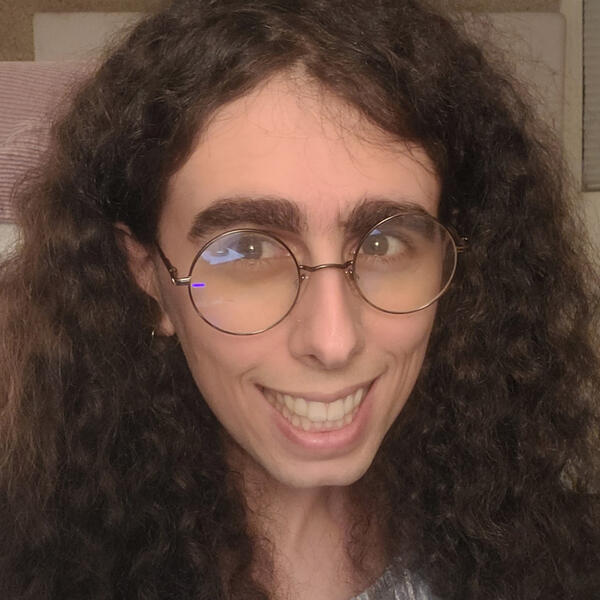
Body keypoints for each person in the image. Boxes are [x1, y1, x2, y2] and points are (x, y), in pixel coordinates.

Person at [1, 0, 599, 598]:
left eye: (385, 242)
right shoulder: (40, 566)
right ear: (149, 279)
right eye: (247, 251)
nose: (333, 341)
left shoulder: (554, 552)